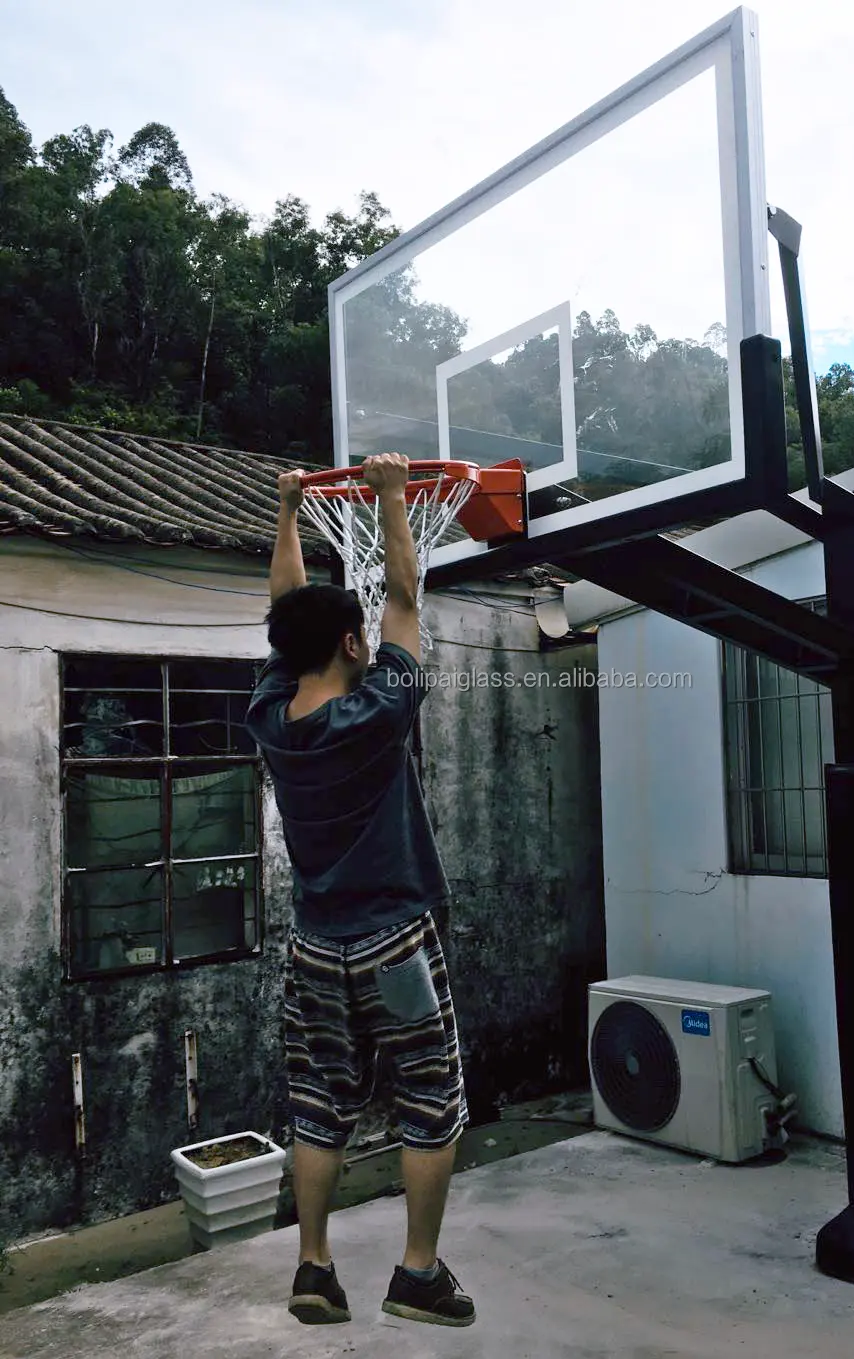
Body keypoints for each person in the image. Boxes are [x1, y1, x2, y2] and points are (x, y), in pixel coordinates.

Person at [246, 455, 474, 1329]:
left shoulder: (271, 715)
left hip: (314, 946)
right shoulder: (378, 709)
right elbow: (407, 602)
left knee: (319, 1099)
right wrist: (387, 496)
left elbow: (284, 619)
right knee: (430, 1094)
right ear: (352, 644)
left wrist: (289, 509)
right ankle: (417, 1272)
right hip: (393, 945)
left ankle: (314, 1267)